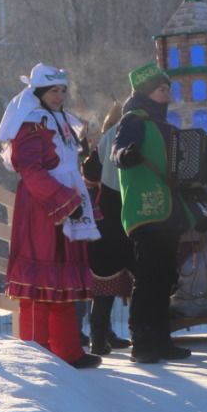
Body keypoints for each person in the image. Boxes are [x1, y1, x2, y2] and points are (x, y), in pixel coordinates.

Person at [0, 63, 102, 369]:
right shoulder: (31, 124)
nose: (60, 96)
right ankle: (36, 355)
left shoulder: (59, 121)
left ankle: (67, 350)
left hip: (64, 205)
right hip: (42, 209)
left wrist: (80, 201)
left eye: (62, 90)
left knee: (61, 278)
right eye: (54, 90)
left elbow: (67, 167)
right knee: (41, 281)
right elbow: (30, 169)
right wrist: (64, 200)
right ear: (39, 92)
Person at [112, 61, 198, 364]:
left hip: (169, 214)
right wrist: (126, 154)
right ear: (149, 91)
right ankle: (142, 342)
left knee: (165, 278)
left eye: (169, 88)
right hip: (146, 211)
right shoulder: (133, 120)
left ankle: (162, 341)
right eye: (163, 89)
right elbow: (117, 152)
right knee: (148, 278)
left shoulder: (166, 125)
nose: (168, 94)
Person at [81, 102, 134, 356]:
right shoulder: (116, 139)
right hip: (116, 217)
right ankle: (99, 336)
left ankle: (103, 335)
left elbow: (90, 174)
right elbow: (89, 176)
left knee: (108, 282)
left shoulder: (103, 142)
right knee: (109, 281)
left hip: (107, 218)